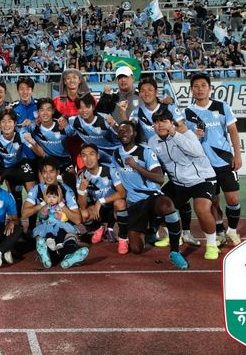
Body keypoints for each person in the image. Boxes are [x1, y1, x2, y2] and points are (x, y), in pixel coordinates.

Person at [113, 121, 188, 269]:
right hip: (134, 204)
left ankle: (175, 252)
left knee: (167, 205)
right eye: (121, 130)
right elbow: (117, 181)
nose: (124, 133)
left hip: (151, 197)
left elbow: (159, 178)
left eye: (127, 130)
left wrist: (136, 167)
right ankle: (151, 228)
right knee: (136, 249)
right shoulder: (115, 154)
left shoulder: (145, 151)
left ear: (134, 134)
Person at [148, 109, 220, 261]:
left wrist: (175, 134)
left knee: (201, 209)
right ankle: (174, 236)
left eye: (164, 121)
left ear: (171, 123)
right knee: (157, 205)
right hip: (178, 183)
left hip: (202, 179)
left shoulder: (186, 135)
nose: (160, 125)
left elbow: (197, 152)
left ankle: (212, 245)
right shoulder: (152, 142)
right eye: (156, 122)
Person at [185, 73, 243, 247]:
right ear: (191, 90)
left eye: (203, 85)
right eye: (196, 86)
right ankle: (219, 231)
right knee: (213, 201)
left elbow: (233, 131)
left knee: (232, 198)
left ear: (210, 88)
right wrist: (193, 135)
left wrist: (237, 155)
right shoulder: (187, 113)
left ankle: (232, 230)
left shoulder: (221, 106)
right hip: (203, 166)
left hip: (224, 161)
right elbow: (184, 138)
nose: (200, 89)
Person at [21, 158, 89, 268]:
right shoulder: (36, 189)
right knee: (47, 242)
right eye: (44, 172)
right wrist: (43, 203)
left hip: (62, 227)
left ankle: (67, 257)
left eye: (51, 171)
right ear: (41, 173)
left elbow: (77, 219)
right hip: (46, 228)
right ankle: (61, 256)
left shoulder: (66, 190)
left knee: (68, 237)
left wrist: (61, 203)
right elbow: (25, 213)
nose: (48, 176)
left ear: (58, 172)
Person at [76, 143, 128, 253]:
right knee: (83, 213)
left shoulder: (110, 170)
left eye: (91, 154)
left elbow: (122, 193)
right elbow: (82, 206)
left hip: (113, 208)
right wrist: (81, 190)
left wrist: (100, 201)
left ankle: (123, 238)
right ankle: (98, 228)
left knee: (120, 203)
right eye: (84, 155)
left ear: (98, 156)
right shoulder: (82, 176)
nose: (88, 158)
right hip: (98, 212)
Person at [0, 108, 37, 215]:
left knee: (32, 193)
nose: (6, 125)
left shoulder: (21, 132)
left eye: (9, 121)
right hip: (4, 167)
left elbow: (41, 153)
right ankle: (13, 221)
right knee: (15, 196)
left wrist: (33, 143)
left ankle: (31, 226)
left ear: (14, 123)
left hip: (20, 164)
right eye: (3, 121)